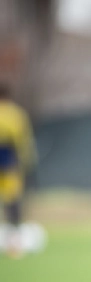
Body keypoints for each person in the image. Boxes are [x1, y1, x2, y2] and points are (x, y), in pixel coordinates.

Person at [0, 84, 37, 259]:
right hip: (9, 162)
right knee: (12, 202)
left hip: (7, 158)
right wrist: (27, 163)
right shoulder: (16, 114)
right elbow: (23, 142)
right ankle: (14, 242)